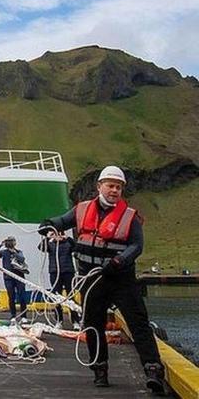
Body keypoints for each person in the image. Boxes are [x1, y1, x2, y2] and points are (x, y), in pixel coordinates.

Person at [39, 164, 166, 394]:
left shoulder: (130, 217)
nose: (114, 190)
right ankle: (100, 369)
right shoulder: (81, 209)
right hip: (92, 279)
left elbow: (137, 245)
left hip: (121, 278)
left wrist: (120, 261)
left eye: (118, 187)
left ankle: (153, 370)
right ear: (99, 186)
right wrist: (49, 224)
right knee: (93, 324)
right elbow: (62, 221)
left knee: (139, 323)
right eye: (110, 185)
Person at [38, 230, 79, 326]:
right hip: (55, 272)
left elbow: (77, 247)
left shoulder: (68, 243)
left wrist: (68, 238)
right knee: (56, 296)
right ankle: (59, 321)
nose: (58, 236)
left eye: (60, 233)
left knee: (71, 295)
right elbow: (40, 247)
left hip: (68, 271)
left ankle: (75, 320)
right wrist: (48, 237)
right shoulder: (51, 244)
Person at [0, 236, 29, 320]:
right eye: (8, 242)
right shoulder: (4, 252)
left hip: (19, 277)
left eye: (11, 241)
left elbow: (22, 259)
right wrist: (1, 244)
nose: (10, 243)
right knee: (11, 296)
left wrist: (14, 252)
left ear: (15, 243)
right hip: (8, 278)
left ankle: (24, 316)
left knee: (22, 296)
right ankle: (13, 315)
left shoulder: (18, 251)